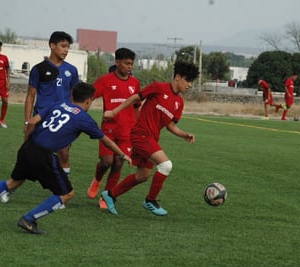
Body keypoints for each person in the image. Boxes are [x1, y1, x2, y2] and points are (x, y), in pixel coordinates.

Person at [0, 82, 132, 235]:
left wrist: (26, 143)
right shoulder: (84, 118)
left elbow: (32, 121)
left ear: (72, 96)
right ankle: (28, 220)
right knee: (67, 194)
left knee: (13, 182)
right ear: (89, 101)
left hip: (29, 146)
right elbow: (106, 141)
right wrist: (123, 154)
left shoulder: (58, 104)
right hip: (44, 155)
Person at [100, 61, 199, 216]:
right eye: (188, 80)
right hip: (140, 134)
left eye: (192, 82)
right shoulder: (158, 87)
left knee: (142, 176)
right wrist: (114, 112)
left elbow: (171, 126)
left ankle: (110, 195)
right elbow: (134, 99)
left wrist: (184, 134)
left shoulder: (179, 102)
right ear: (178, 77)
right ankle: (150, 201)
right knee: (166, 165)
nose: (190, 85)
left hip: (151, 138)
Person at [87, 48, 141, 209]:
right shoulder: (105, 80)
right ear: (117, 62)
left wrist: (138, 126)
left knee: (118, 163)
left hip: (127, 131)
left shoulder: (135, 83)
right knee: (106, 161)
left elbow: (137, 105)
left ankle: (107, 195)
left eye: (131, 63)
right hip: (109, 130)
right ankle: (97, 180)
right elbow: (89, 98)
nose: (129, 66)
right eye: (126, 63)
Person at [24, 31, 79, 177]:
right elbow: (30, 96)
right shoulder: (38, 69)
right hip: (41, 117)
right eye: (63, 46)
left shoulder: (72, 70)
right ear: (52, 46)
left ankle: (63, 189)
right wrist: (27, 120)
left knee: (64, 152)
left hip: (63, 118)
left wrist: (74, 117)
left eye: (68, 47)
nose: (66, 50)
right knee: (33, 155)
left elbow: (75, 97)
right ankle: (13, 184)